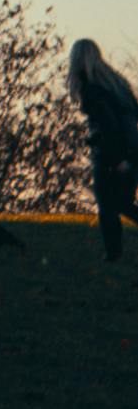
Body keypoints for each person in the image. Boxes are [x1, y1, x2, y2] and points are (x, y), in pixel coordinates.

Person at [75, 41, 138, 263]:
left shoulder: (92, 90)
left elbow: (108, 126)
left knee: (107, 205)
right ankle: (114, 253)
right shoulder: (115, 82)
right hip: (132, 151)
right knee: (122, 203)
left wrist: (117, 158)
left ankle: (113, 254)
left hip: (113, 155)